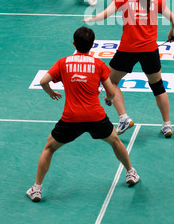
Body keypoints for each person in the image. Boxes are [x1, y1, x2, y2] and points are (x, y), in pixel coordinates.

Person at [26, 27, 139, 202]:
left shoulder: (63, 63)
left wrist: (50, 93)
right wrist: (108, 99)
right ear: (92, 45)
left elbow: (43, 81)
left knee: (49, 148)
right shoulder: (99, 64)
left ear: (74, 44)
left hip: (71, 118)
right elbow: (111, 92)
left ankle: (37, 189)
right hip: (96, 116)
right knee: (115, 141)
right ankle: (131, 173)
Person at [82, 0, 174, 138]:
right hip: (150, 50)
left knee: (110, 82)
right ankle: (167, 125)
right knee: (158, 87)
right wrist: (172, 33)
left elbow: (104, 15)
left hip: (127, 50)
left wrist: (90, 19)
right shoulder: (156, 0)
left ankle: (124, 118)